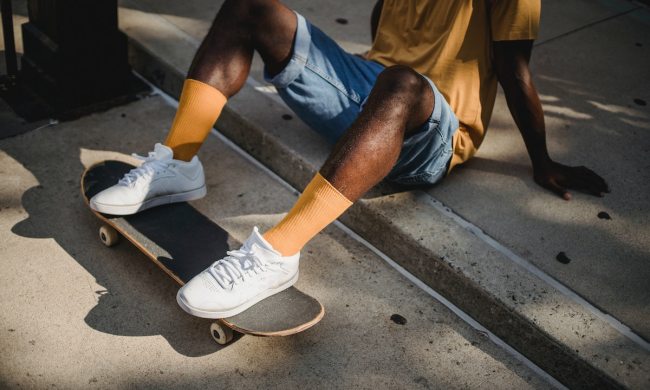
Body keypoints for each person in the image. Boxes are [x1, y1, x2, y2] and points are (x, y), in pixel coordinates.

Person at [90, 0, 609, 319]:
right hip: (370, 93)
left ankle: (276, 256)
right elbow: (385, 24)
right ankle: (178, 163)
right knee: (252, 7)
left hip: (432, 131)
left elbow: (514, 69)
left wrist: (542, 161)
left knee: (402, 81)